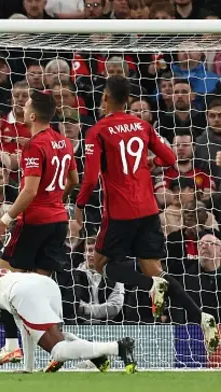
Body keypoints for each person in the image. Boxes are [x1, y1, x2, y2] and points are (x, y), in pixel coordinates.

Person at [75, 75, 220, 355]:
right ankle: (203, 318)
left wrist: (79, 208)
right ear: (128, 100)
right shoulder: (142, 125)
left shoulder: (98, 131)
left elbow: (91, 178)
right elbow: (169, 159)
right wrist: (146, 161)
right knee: (156, 270)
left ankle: (151, 286)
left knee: (101, 264)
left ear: (105, 98)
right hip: (149, 210)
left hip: (119, 212)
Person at [0, 90, 79, 366]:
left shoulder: (34, 146)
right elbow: (73, 178)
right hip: (58, 222)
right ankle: (58, 349)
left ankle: (12, 345)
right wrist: (57, 201)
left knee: (4, 279)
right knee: (37, 289)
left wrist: (4, 220)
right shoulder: (63, 142)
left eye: (25, 106)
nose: (22, 109)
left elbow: (29, 191)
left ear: (34, 115)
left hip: (35, 222)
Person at [0, 252, 137, 374]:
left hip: (22, 292)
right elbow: (23, 327)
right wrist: (27, 368)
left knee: (58, 350)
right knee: (58, 337)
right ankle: (94, 354)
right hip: (44, 283)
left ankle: (117, 347)